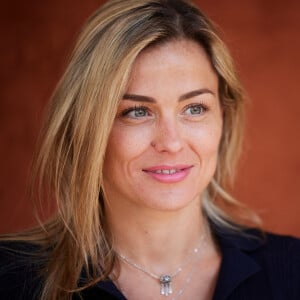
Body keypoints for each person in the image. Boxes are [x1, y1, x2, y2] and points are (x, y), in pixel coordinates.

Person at [0, 0, 299, 299]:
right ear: (86, 127)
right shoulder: (11, 278)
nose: (170, 142)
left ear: (224, 117)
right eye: (137, 112)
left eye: (194, 108)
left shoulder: (291, 271)